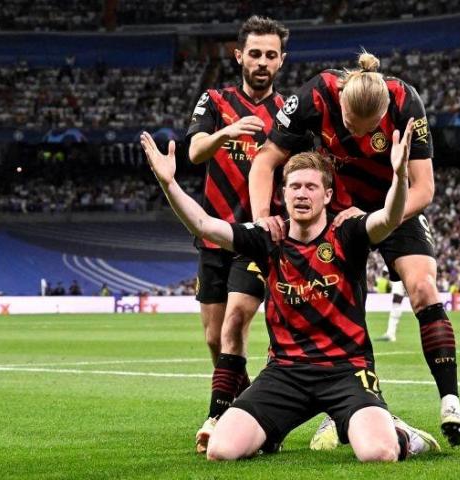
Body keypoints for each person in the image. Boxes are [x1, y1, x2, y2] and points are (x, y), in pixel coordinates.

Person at [140, 116, 440, 462]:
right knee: (221, 451)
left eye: (311, 187)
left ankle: (403, 435)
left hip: (346, 371)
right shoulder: (268, 237)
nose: (301, 193)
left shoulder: (349, 233)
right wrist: (169, 183)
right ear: (282, 193)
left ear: (328, 195)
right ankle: (273, 430)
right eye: (294, 186)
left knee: (377, 453)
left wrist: (400, 176)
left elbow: (388, 218)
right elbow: (205, 225)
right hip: (285, 374)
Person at [248, 50, 460, 447]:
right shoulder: (315, 96)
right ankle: (298, 411)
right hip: (332, 210)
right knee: (305, 298)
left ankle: (450, 400)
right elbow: (265, 161)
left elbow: (425, 188)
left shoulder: (406, 103)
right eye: (352, 126)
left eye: (372, 132)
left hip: (393, 205)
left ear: (385, 113)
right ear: (342, 105)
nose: (362, 138)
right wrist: (264, 218)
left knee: (423, 287)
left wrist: (374, 217)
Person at [184, 15, 291, 452]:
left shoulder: (288, 111)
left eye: (271, 55)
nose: (262, 62)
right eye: (255, 54)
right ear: (239, 56)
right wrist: (226, 132)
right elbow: (193, 152)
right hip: (214, 232)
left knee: (237, 319)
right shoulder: (214, 100)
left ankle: (219, 412)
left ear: (281, 60)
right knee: (214, 337)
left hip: (257, 236)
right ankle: (248, 410)